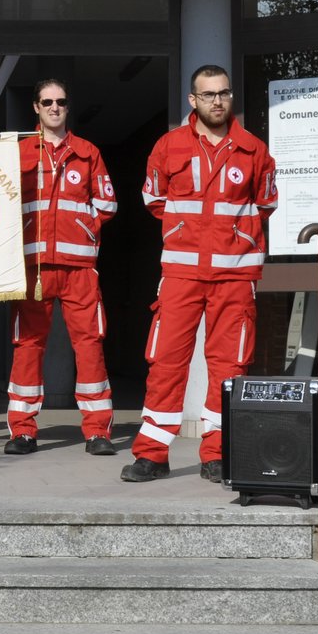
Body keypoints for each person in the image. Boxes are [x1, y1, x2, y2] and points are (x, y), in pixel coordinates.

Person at [122, 65, 278, 484]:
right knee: (166, 361)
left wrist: (230, 239)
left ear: (231, 97)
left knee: (229, 365)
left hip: (235, 274)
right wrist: (184, 232)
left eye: (223, 93)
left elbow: (265, 204)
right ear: (193, 100)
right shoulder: (169, 146)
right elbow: (154, 199)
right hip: (181, 274)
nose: (217, 101)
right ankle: (152, 454)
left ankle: (218, 453)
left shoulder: (254, 150)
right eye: (207, 95)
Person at [5, 80, 118, 456]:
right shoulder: (17, 153)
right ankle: (22, 430)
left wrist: (83, 230)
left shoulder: (88, 153)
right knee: (27, 346)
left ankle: (97, 431)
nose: (55, 107)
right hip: (33, 265)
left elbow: (107, 204)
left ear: (69, 107)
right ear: (35, 108)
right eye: (47, 102)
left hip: (79, 266)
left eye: (61, 102)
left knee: (89, 346)